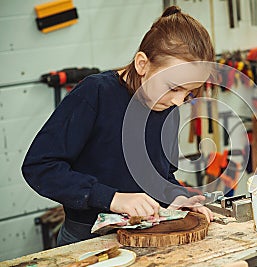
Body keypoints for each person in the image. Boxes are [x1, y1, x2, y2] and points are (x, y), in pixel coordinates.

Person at [22, 6, 214, 246]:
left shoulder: (167, 107)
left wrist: (176, 196)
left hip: (147, 236)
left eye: (188, 93)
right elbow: (40, 167)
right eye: (174, 87)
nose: (178, 101)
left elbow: (161, 175)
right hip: (86, 240)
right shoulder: (95, 94)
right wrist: (112, 198)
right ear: (142, 64)